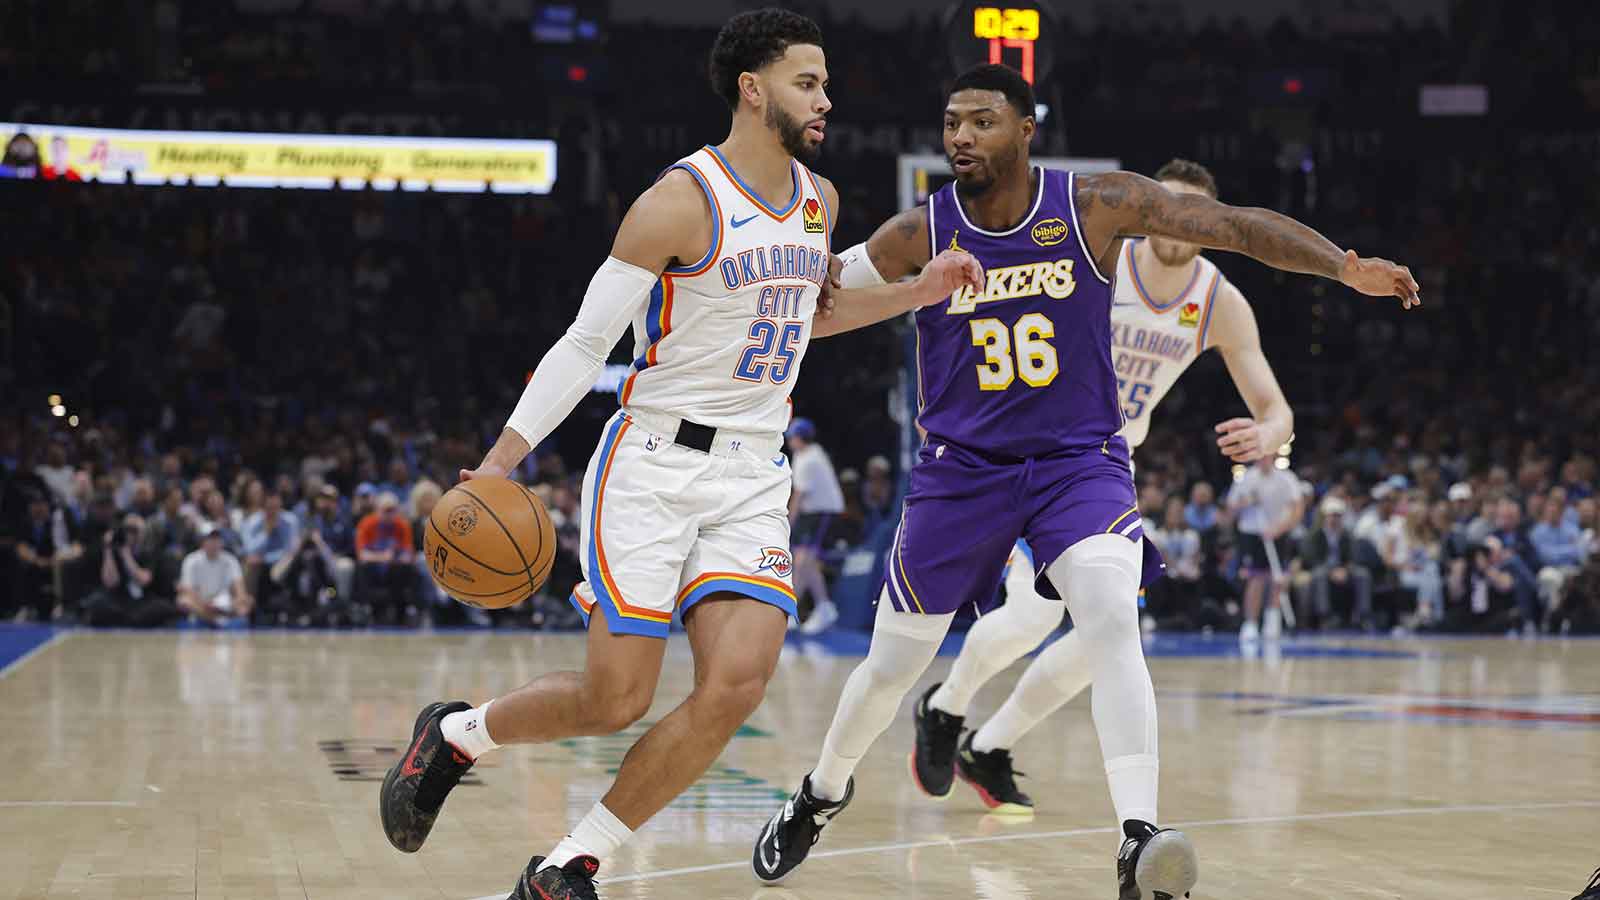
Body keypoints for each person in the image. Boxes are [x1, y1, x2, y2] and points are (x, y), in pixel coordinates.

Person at [753, 63, 1416, 900]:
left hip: (1079, 462)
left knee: (1108, 617)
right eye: (952, 122)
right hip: (963, 471)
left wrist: (1343, 266)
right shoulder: (921, 231)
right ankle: (820, 793)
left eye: (983, 120)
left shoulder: (1096, 205)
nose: (962, 136)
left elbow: (1237, 227)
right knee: (890, 664)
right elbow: (817, 302)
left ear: (1026, 130)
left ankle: (1139, 837)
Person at [374, 11, 982, 900]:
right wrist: (502, 461)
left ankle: (570, 864)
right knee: (615, 699)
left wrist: (916, 292)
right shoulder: (677, 202)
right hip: (654, 462)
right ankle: (460, 735)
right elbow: (585, 343)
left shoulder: (820, 199)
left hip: (753, 472)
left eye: (824, 83)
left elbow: (811, 316)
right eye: (807, 82)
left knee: (737, 685)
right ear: (753, 90)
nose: (825, 99)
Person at [896, 156, 1301, 821]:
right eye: (1165, 205)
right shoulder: (1099, 257)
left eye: (1191, 212)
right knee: (1035, 616)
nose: (1175, 220)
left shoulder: (1219, 301)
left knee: (1103, 640)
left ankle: (988, 745)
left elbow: (1276, 409)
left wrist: (1268, 434)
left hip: (1105, 467)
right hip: (1033, 451)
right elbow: (991, 309)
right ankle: (945, 707)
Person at [1228, 454, 1304, 641]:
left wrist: (1280, 528)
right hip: (1252, 533)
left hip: (1278, 532)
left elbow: (1297, 508)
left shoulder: (1287, 478)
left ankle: (1272, 621)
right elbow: (1231, 509)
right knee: (1256, 578)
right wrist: (1246, 502)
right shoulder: (1246, 479)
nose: (1263, 459)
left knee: (1278, 577)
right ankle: (1251, 624)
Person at [787, 416, 846, 634]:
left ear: (800, 438)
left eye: (792, 437)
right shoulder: (802, 455)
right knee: (806, 561)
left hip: (822, 513)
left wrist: (788, 523)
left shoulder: (810, 459)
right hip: (811, 513)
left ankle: (790, 610)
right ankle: (824, 606)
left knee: (803, 560)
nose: (789, 441)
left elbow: (799, 495)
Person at [80, 514, 175, 628]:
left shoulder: (149, 552)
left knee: (162, 607)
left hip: (144, 600)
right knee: (97, 603)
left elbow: (144, 580)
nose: (131, 534)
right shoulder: (113, 551)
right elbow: (110, 582)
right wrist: (108, 550)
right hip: (120, 599)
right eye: (127, 530)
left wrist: (126, 555)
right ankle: (128, 619)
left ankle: (126, 620)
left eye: (135, 530)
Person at [1297, 495, 1373, 628]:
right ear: (1325, 517)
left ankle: (1362, 616)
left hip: (1342, 569)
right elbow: (1310, 558)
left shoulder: (1347, 535)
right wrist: (1331, 571)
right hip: (1322, 568)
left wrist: (1345, 569)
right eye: (1331, 515)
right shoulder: (1314, 535)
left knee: (1363, 574)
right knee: (1319, 574)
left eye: (1337, 516)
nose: (1334, 519)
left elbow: (1353, 557)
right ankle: (1325, 616)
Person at [177, 527, 253, 624]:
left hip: (224, 602)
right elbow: (188, 589)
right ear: (202, 541)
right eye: (210, 539)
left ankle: (218, 619)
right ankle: (217, 620)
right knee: (184, 601)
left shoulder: (230, 560)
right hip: (200, 601)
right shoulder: (191, 560)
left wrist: (240, 599)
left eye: (217, 539)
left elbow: (239, 587)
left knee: (247, 602)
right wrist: (204, 603)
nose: (214, 543)